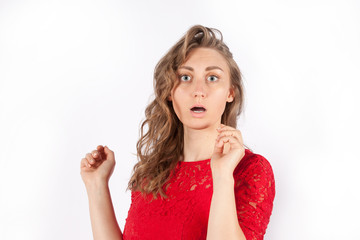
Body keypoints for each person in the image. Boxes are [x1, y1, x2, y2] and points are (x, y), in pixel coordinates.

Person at [80, 25, 275, 240]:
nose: (198, 91)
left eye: (212, 78)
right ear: (170, 92)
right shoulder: (153, 173)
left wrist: (221, 176)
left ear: (230, 92)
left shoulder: (250, 170)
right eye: (185, 77)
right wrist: (96, 186)